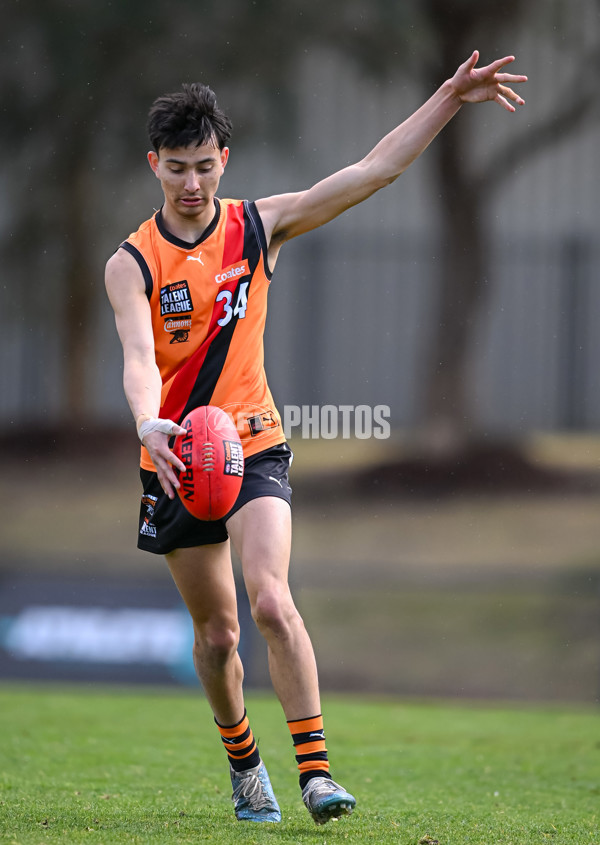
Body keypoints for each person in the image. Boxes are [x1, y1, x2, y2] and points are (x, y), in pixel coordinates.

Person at [105, 50, 526, 825]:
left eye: (204, 165)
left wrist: (446, 98)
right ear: (153, 165)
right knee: (217, 634)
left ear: (223, 159)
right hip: (171, 457)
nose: (192, 184)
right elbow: (138, 359)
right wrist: (147, 422)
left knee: (269, 599)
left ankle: (316, 774)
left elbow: (371, 172)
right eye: (176, 168)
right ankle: (243, 761)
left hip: (252, 443)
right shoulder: (131, 263)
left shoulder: (260, 225)